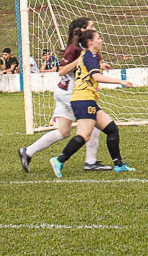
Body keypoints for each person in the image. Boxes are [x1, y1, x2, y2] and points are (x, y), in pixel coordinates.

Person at [20, 17, 110, 172]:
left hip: (68, 93)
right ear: (83, 30)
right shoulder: (74, 49)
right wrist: (80, 60)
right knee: (94, 122)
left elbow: (92, 66)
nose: (95, 28)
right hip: (71, 93)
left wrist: (101, 65)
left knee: (63, 131)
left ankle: (27, 151)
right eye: (92, 26)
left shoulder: (91, 46)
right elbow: (61, 71)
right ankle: (90, 162)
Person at [49, 28, 135, 178]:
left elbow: (86, 69)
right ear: (90, 42)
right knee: (84, 135)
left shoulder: (88, 56)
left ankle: (119, 165)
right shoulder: (89, 56)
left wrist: (101, 66)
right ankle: (59, 160)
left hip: (86, 99)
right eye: (98, 38)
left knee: (112, 129)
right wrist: (121, 81)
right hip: (83, 100)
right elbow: (97, 77)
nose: (101, 40)